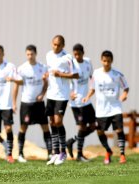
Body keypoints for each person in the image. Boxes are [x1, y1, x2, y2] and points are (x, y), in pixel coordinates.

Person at [82, 50, 129, 164]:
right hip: (101, 110)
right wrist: (87, 97)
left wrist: (124, 95)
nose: (106, 63)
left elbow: (126, 87)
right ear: (101, 60)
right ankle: (108, 151)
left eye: (108, 61)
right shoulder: (96, 74)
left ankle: (122, 155)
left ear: (111, 61)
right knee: (100, 132)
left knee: (119, 130)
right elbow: (92, 88)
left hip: (115, 107)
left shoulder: (117, 74)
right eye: (104, 61)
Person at [13, 45, 52, 163]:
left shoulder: (42, 67)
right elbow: (16, 85)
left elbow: (46, 83)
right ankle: (20, 154)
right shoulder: (22, 68)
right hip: (26, 103)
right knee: (23, 127)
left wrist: (42, 94)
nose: (30, 56)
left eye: (32, 54)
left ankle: (50, 154)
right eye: (28, 54)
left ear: (36, 54)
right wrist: (14, 103)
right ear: (26, 55)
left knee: (45, 126)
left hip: (39, 104)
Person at [45, 35, 79, 165]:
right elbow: (51, 72)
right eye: (54, 44)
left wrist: (61, 74)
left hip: (62, 95)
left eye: (58, 45)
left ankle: (63, 152)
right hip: (51, 94)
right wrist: (47, 75)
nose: (56, 47)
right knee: (52, 122)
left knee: (58, 121)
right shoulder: (48, 55)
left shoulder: (68, 57)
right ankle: (55, 153)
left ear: (63, 45)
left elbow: (76, 75)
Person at [66, 44, 96, 162]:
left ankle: (71, 140)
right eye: (75, 54)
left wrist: (91, 92)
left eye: (79, 54)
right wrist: (70, 93)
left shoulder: (88, 62)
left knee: (94, 126)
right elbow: (66, 80)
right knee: (82, 126)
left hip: (86, 101)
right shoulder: (71, 64)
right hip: (76, 102)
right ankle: (79, 154)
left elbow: (91, 78)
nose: (77, 56)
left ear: (83, 53)